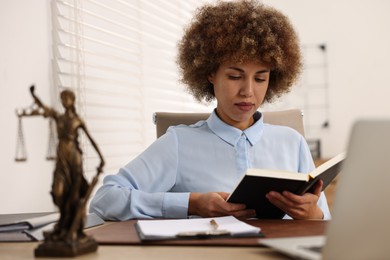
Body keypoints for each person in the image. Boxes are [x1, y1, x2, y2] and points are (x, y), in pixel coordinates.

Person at [89, 0, 331, 221]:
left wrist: (313, 215)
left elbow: (325, 227)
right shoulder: (179, 143)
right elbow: (105, 200)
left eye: (260, 78)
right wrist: (191, 203)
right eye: (235, 76)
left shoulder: (293, 143)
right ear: (210, 73)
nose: (248, 91)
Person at [22, 86, 105, 242]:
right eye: (62, 98)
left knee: (74, 195)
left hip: (74, 157)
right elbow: (43, 107)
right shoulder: (58, 117)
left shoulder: (77, 121)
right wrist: (34, 95)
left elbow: (91, 139)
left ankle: (70, 226)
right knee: (58, 191)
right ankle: (64, 224)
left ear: (72, 100)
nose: (64, 101)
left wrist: (101, 158)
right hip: (62, 157)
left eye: (67, 98)